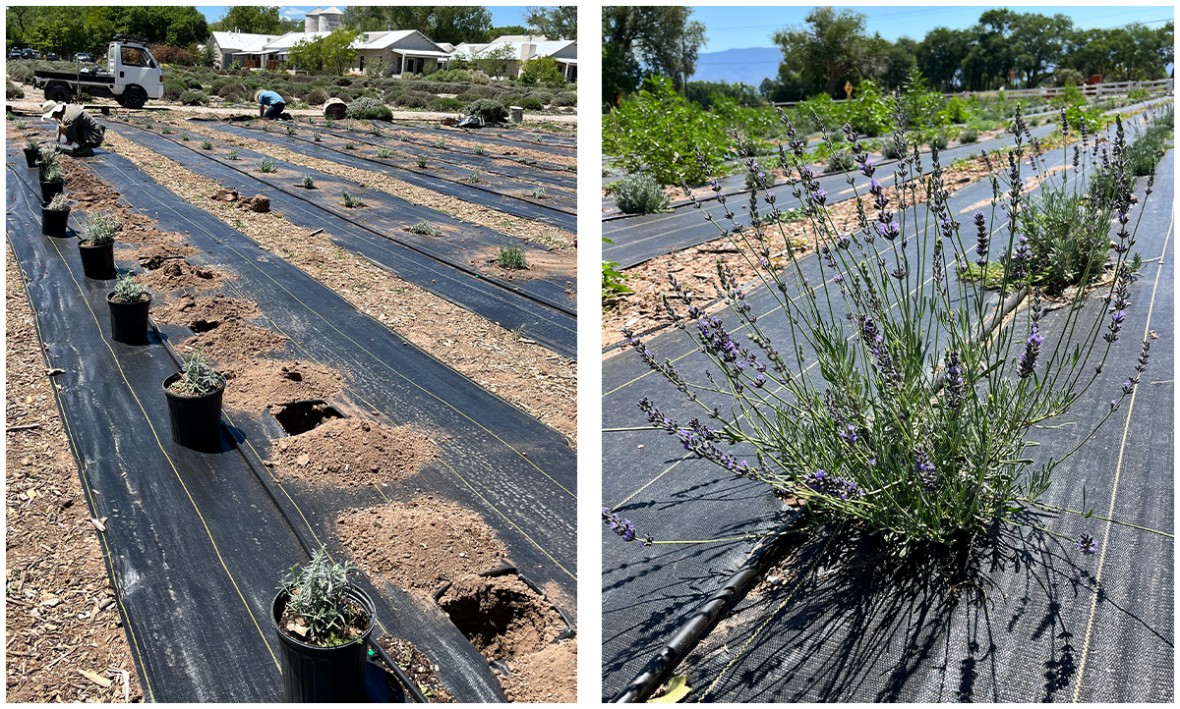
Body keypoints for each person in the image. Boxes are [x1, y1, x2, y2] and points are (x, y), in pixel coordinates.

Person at [40, 100, 105, 157]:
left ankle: (86, 148)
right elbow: (59, 127)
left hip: (94, 137)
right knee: (64, 128)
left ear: (56, 112)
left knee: (73, 152)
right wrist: (58, 140)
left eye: (52, 116)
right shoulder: (66, 109)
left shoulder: (69, 118)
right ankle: (83, 145)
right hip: (91, 132)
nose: (53, 117)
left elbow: (69, 140)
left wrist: (60, 147)